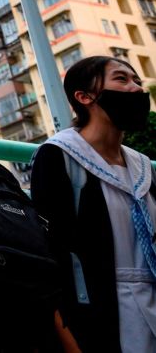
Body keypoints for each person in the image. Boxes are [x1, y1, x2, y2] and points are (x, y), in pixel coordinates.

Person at [32, 56, 156, 353]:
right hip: (101, 314)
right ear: (84, 96)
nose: (136, 89)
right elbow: (51, 253)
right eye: (121, 79)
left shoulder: (143, 166)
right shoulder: (58, 156)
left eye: (136, 80)